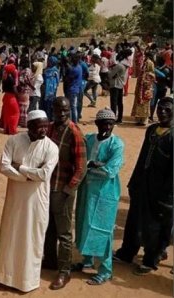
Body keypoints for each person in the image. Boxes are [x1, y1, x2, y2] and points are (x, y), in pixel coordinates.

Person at [0, 110, 59, 293]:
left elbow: (45, 174)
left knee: (32, 238)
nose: (44, 130)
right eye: (40, 126)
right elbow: (4, 167)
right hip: (15, 199)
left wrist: (21, 168)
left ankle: (27, 282)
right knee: (11, 235)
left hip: (37, 201)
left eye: (46, 126)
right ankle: (4, 277)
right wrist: (28, 177)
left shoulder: (51, 148)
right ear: (29, 126)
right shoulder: (14, 141)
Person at [115, 97, 172, 275]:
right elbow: (142, 158)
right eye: (160, 108)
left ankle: (150, 259)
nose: (162, 112)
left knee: (154, 225)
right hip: (142, 183)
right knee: (133, 219)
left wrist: (168, 196)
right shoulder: (152, 130)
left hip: (161, 188)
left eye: (167, 109)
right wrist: (134, 181)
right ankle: (127, 252)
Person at [74, 108, 124, 285]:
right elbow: (79, 160)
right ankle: (87, 261)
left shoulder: (116, 144)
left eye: (111, 123)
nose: (108, 127)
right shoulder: (88, 139)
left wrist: (91, 165)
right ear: (97, 124)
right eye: (104, 123)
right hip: (87, 190)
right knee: (84, 224)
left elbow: (111, 170)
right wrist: (93, 164)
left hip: (105, 193)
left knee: (103, 230)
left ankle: (105, 270)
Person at [44, 96, 87, 290]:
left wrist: (69, 190)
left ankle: (64, 271)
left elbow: (81, 167)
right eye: (58, 110)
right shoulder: (51, 128)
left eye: (65, 110)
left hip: (63, 189)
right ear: (52, 110)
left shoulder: (74, 132)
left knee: (64, 233)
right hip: (47, 187)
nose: (62, 113)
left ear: (70, 110)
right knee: (49, 228)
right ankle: (50, 260)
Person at [131, 59, 156, 125]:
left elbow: (147, 83)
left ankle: (143, 121)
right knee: (141, 105)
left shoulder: (149, 74)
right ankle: (140, 120)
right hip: (143, 92)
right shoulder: (145, 73)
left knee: (144, 106)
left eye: (146, 65)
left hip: (144, 92)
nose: (144, 66)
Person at [108, 54, 130, 123]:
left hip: (115, 85)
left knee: (113, 103)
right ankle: (119, 118)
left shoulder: (119, 66)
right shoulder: (125, 66)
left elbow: (110, 74)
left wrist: (110, 69)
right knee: (120, 103)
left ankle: (113, 118)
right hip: (121, 85)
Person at [0, 63, 20, 135]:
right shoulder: (11, 79)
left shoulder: (4, 77)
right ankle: (12, 130)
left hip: (6, 97)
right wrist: (18, 96)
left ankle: (7, 129)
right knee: (15, 114)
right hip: (12, 98)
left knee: (7, 114)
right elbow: (14, 90)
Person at [64, 54, 83, 123]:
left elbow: (67, 79)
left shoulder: (74, 70)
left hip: (72, 89)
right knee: (74, 106)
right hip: (76, 89)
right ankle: (75, 121)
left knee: (72, 107)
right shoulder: (79, 67)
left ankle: (73, 121)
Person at [17, 57, 34, 127]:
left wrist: (19, 82)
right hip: (26, 90)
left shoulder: (25, 71)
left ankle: (23, 122)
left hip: (24, 90)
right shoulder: (29, 70)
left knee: (23, 106)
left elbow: (24, 80)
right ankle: (24, 122)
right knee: (24, 106)